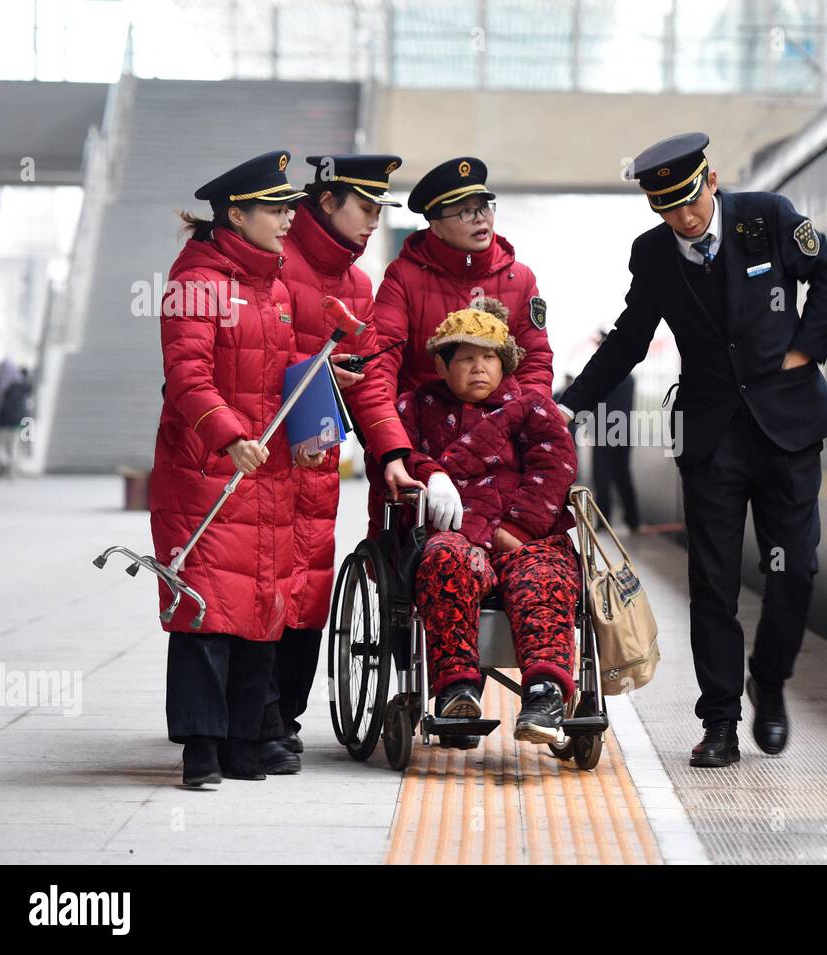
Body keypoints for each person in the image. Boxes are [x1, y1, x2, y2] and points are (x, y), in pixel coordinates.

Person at [558, 133, 827, 767]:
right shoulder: (654, 254)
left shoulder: (767, 217)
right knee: (712, 583)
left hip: (787, 428)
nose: (683, 219)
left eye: (689, 202)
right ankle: (718, 720)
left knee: (795, 570)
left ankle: (767, 681)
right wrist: (570, 404)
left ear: (710, 181)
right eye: (666, 209)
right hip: (710, 438)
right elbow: (631, 338)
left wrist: (807, 349)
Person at [150, 150, 321, 788]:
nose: (285, 221)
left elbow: (278, 376)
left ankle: (243, 743)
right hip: (206, 472)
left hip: (266, 473)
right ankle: (201, 748)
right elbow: (186, 375)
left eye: (287, 210)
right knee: (205, 609)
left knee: (257, 608)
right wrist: (227, 437)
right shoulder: (196, 280)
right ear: (236, 213)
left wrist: (319, 398)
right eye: (275, 210)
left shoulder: (271, 286)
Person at [271, 153, 419, 767]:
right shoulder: (272, 258)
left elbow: (370, 384)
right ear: (327, 201)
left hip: (316, 467)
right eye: (365, 208)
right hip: (256, 460)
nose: (372, 222)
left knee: (306, 592)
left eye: (380, 210)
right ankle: (245, 720)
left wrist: (391, 453)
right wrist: (312, 376)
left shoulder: (359, 286)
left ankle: (281, 720)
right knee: (259, 590)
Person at [396, 298, 580, 743]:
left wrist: (516, 530)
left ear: (506, 364)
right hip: (456, 536)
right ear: (441, 366)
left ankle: (544, 696)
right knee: (442, 561)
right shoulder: (415, 408)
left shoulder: (533, 407)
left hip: (528, 537)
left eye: (489, 358)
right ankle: (458, 688)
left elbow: (556, 468)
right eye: (466, 359)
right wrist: (429, 473)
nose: (479, 368)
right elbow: (396, 457)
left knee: (545, 577)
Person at [367, 156, 554, 543]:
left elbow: (535, 362)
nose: (480, 218)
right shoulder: (403, 277)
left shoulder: (519, 278)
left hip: (502, 442)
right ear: (434, 223)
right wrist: (391, 445)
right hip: (423, 439)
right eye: (465, 212)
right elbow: (381, 362)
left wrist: (529, 427)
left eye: (484, 207)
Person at [589, 336, 640, 532]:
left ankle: (604, 522)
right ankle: (633, 519)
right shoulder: (630, 377)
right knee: (623, 475)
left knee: (601, 477)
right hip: (624, 433)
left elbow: (595, 404)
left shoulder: (606, 375)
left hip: (605, 434)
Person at [0, 364, 32, 480]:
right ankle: (10, 471)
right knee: (13, 447)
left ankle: (3, 466)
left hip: (2, 422)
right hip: (16, 422)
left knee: (0, 446)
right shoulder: (23, 386)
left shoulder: (0, 385)